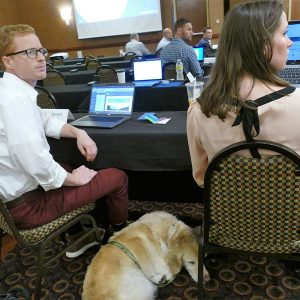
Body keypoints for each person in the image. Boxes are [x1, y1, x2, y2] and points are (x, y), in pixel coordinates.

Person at [0, 24, 129, 258]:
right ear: (8, 61)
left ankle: (79, 236)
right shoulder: (14, 100)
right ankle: (121, 236)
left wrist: (79, 133)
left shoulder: (10, 91)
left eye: (41, 51)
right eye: (30, 52)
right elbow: (33, 160)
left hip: (16, 200)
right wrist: (70, 179)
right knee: (117, 178)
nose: (41, 58)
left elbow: (44, 120)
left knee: (70, 166)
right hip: (29, 206)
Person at [187, 0, 298, 188]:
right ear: (261, 42)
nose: (290, 42)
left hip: (228, 216)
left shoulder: (199, 110)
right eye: (285, 33)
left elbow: (203, 179)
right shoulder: (297, 104)